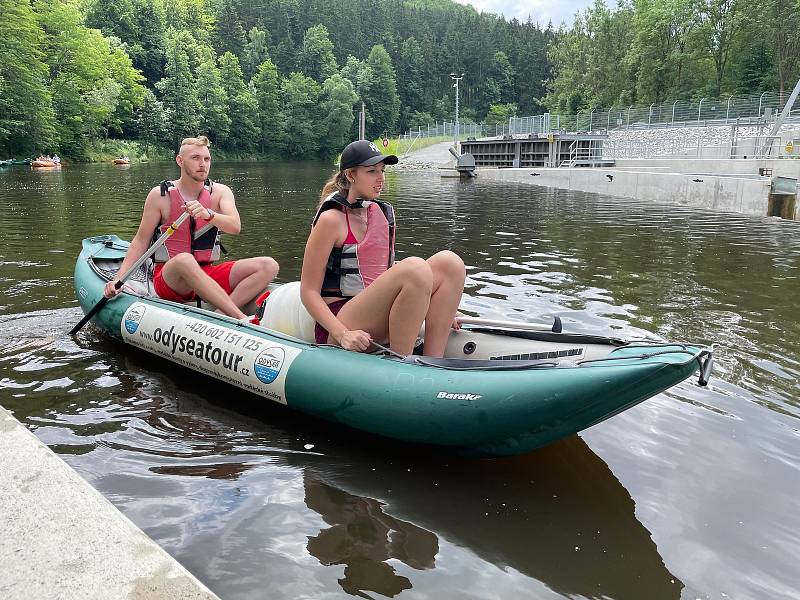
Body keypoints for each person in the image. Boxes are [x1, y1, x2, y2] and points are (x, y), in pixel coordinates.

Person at [300, 140, 465, 357]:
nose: (380, 178)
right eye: (371, 171)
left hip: (376, 310)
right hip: (342, 322)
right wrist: (342, 334)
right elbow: (308, 292)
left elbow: (379, 273)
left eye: (382, 171)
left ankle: (434, 360)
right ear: (351, 175)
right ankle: (400, 364)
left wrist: (439, 306)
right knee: (415, 268)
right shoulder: (331, 220)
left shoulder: (380, 214)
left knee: (450, 263)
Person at [104, 135, 278, 319]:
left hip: (206, 273)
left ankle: (220, 314)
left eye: (206, 159)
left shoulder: (220, 192)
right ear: (180, 161)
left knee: (269, 265)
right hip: (170, 280)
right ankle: (239, 318)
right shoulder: (160, 196)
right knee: (185, 260)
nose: (202, 164)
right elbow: (140, 242)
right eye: (195, 158)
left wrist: (208, 214)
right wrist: (119, 279)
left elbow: (235, 226)